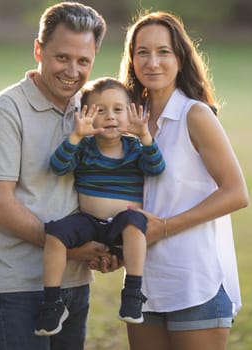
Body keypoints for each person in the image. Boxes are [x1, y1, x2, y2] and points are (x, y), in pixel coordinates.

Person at [0, 3, 111, 350]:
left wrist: (113, 245)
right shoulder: (6, 110)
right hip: (17, 282)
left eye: (84, 61)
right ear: (39, 50)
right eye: (62, 57)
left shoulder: (90, 109)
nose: (73, 71)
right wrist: (70, 248)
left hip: (75, 280)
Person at [118, 11, 249, 350]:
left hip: (195, 284)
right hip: (143, 285)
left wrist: (165, 227)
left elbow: (236, 193)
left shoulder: (195, 114)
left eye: (164, 51)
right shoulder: (130, 119)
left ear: (180, 58)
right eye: (142, 52)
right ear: (131, 60)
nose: (153, 61)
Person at [34, 77, 165, 336]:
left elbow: (156, 168)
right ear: (85, 115)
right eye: (100, 110)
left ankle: (133, 292)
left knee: (135, 222)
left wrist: (145, 135)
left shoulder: (135, 148)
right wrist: (75, 135)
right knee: (55, 234)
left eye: (118, 110)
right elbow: (58, 167)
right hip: (89, 222)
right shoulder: (85, 149)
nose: (110, 117)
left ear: (130, 113)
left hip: (122, 223)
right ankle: (52, 302)